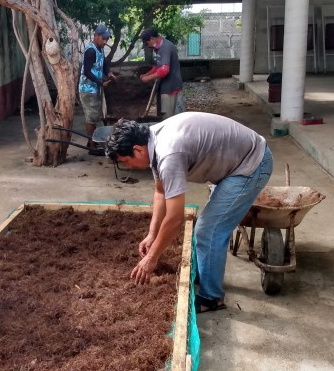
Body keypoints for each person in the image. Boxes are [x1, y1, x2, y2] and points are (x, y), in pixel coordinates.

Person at [104, 112, 273, 313]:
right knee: (208, 228)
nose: (128, 166)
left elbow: (175, 218)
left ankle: (212, 298)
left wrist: (152, 258)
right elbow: (161, 191)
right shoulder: (153, 139)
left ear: (137, 150)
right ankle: (206, 271)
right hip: (235, 161)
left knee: (208, 231)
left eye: (125, 161)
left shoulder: (168, 154)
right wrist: (152, 234)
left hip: (250, 164)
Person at [78, 24, 116, 152]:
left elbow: (104, 63)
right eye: (103, 39)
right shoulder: (91, 51)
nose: (105, 42)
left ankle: (92, 142)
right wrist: (101, 83)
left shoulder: (100, 49)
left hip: (95, 88)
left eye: (106, 39)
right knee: (91, 118)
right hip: (87, 90)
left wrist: (109, 73)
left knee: (94, 116)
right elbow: (87, 72)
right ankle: (92, 146)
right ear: (96, 36)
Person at [139, 28, 185, 119]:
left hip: (170, 89)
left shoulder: (165, 48)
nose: (148, 46)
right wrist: (147, 74)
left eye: (147, 43)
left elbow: (164, 70)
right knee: (169, 116)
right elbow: (158, 66)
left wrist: (147, 79)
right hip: (168, 87)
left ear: (152, 39)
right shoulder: (159, 47)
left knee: (168, 119)